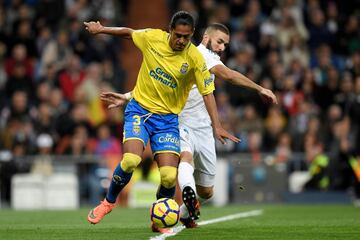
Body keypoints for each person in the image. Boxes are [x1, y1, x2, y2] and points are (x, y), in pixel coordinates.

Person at [102, 23, 277, 228]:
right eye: (219, 41)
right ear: (205, 38)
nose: (222, 47)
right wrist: (259, 88)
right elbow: (228, 75)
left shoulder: (195, 57)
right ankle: (187, 191)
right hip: (180, 122)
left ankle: (186, 211)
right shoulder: (199, 55)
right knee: (185, 158)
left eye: (225, 44)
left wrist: (126, 96)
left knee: (207, 192)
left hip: (203, 128)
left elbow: (163, 83)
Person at [83, 12, 239, 232]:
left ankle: (158, 220)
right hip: (139, 110)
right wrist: (101, 30)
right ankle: (108, 202)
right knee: (130, 159)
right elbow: (129, 33)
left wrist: (217, 125)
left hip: (167, 120)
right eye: (178, 35)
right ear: (170, 30)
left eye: (186, 37)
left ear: (192, 34)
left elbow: (207, 93)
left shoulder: (195, 58)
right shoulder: (152, 38)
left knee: (167, 177)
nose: (181, 41)